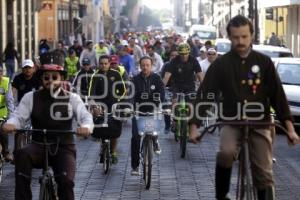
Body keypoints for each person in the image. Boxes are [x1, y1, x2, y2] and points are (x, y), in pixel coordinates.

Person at [188, 15, 300, 200]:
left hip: (260, 122)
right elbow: (206, 95)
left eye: (244, 36)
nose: (240, 41)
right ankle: (221, 195)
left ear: (251, 36)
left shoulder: (264, 63)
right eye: (236, 37)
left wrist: (290, 130)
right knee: (226, 152)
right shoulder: (221, 64)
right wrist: (193, 127)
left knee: (264, 172)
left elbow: (278, 97)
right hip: (231, 121)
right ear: (229, 37)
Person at [2, 51, 93, 200]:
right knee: (22, 154)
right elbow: (19, 116)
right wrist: (11, 124)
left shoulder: (72, 98)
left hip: (64, 147)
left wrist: (86, 127)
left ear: (62, 78)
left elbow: (85, 116)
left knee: (66, 182)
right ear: (41, 79)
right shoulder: (30, 97)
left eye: (54, 77)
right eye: (46, 77)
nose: (50, 80)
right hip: (38, 145)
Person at [89, 55, 126, 164]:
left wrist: (117, 99)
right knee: (101, 128)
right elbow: (92, 93)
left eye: (106, 63)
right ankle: (102, 146)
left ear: (109, 64)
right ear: (99, 64)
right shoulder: (95, 76)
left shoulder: (116, 74)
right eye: (101, 63)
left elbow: (122, 90)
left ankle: (113, 152)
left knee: (114, 130)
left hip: (113, 105)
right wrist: (94, 106)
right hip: (100, 105)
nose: (103, 65)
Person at [130, 56, 165, 175]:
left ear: (151, 65)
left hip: (152, 110)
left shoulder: (157, 78)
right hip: (138, 111)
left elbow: (162, 94)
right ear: (140, 66)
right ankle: (135, 166)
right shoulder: (134, 80)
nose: (145, 67)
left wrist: (165, 106)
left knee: (152, 132)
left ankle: (155, 140)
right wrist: (129, 106)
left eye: (147, 65)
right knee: (136, 137)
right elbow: (130, 96)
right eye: (143, 65)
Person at [11, 59, 41, 158]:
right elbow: (13, 93)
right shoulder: (18, 79)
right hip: (21, 107)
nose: (27, 70)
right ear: (22, 69)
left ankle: (40, 151)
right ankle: (16, 153)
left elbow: (41, 92)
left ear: (33, 69)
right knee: (18, 130)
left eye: (29, 68)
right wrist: (13, 107)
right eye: (25, 68)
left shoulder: (38, 79)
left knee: (39, 129)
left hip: (35, 106)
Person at [0, 64, 14, 162]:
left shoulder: (6, 82)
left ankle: (6, 151)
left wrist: (11, 118)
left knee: (2, 130)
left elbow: (10, 101)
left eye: (0, 72)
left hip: (2, 114)